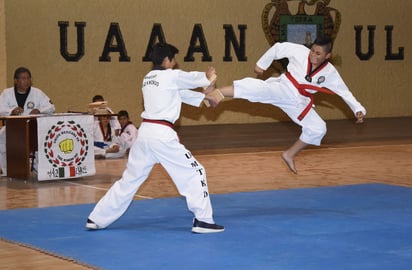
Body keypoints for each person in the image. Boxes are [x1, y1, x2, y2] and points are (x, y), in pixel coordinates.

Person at [86, 42, 224, 233]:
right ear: (167, 60)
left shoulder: (148, 78)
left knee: (129, 180)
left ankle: (97, 218)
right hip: (162, 136)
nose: (175, 64)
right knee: (196, 172)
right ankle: (203, 220)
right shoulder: (171, 75)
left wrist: (205, 98)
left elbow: (176, 93)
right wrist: (210, 77)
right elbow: (200, 79)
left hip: (144, 136)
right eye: (173, 60)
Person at [207, 35, 366, 174]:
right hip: (285, 86)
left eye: (318, 53)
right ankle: (217, 93)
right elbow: (278, 48)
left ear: (327, 55)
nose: (313, 55)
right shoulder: (300, 52)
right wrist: (262, 65)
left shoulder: (330, 73)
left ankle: (289, 154)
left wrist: (357, 109)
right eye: (312, 50)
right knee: (259, 90)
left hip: (300, 102)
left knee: (318, 128)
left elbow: (344, 92)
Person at [0, 67, 55, 176]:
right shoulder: (7, 93)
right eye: (23, 78)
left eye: (28, 78)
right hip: (13, 129)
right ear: (16, 81)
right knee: (1, 138)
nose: (26, 81)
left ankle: (38, 168)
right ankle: (7, 171)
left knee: (43, 139)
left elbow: (51, 107)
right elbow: (0, 108)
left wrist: (39, 110)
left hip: (32, 129)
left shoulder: (37, 93)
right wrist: (11, 111)